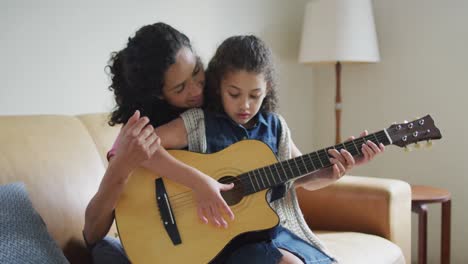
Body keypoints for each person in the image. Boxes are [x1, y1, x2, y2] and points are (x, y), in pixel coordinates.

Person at [154, 35, 385, 264]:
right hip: (222, 243)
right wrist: (199, 183)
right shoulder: (198, 124)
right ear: (218, 87)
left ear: (268, 88)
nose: (245, 105)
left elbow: (300, 178)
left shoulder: (275, 128)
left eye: (254, 95)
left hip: (271, 234)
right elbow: (141, 147)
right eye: (234, 94)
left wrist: (332, 172)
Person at [83, 22, 236, 263]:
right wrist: (121, 165)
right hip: (159, 247)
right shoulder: (138, 131)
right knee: (104, 250)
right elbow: (92, 233)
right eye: (180, 87)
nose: (196, 89)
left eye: (196, 71)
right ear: (157, 93)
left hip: (214, 241)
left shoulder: (220, 103)